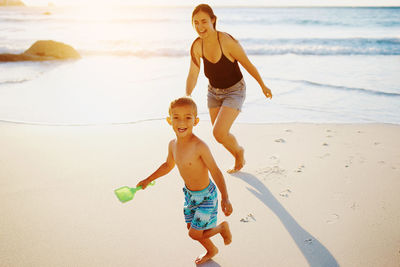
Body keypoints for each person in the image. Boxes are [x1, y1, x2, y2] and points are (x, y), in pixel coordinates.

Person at [137, 97, 233, 265]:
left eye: (188, 117)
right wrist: (148, 179)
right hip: (190, 195)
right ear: (169, 120)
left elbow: (215, 171)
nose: (182, 122)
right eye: (176, 117)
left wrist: (225, 197)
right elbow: (168, 165)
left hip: (206, 197)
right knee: (193, 228)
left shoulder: (199, 146)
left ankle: (221, 228)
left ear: (195, 121)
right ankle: (212, 249)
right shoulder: (172, 145)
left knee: (194, 233)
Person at [186, 4, 273, 173]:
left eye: (203, 21)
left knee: (219, 132)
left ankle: (238, 152)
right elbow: (193, 74)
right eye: (195, 23)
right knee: (220, 135)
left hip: (235, 90)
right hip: (213, 92)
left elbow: (247, 64)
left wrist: (262, 85)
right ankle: (238, 152)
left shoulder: (226, 41)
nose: (200, 26)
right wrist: (187, 96)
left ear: (213, 20)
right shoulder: (197, 46)